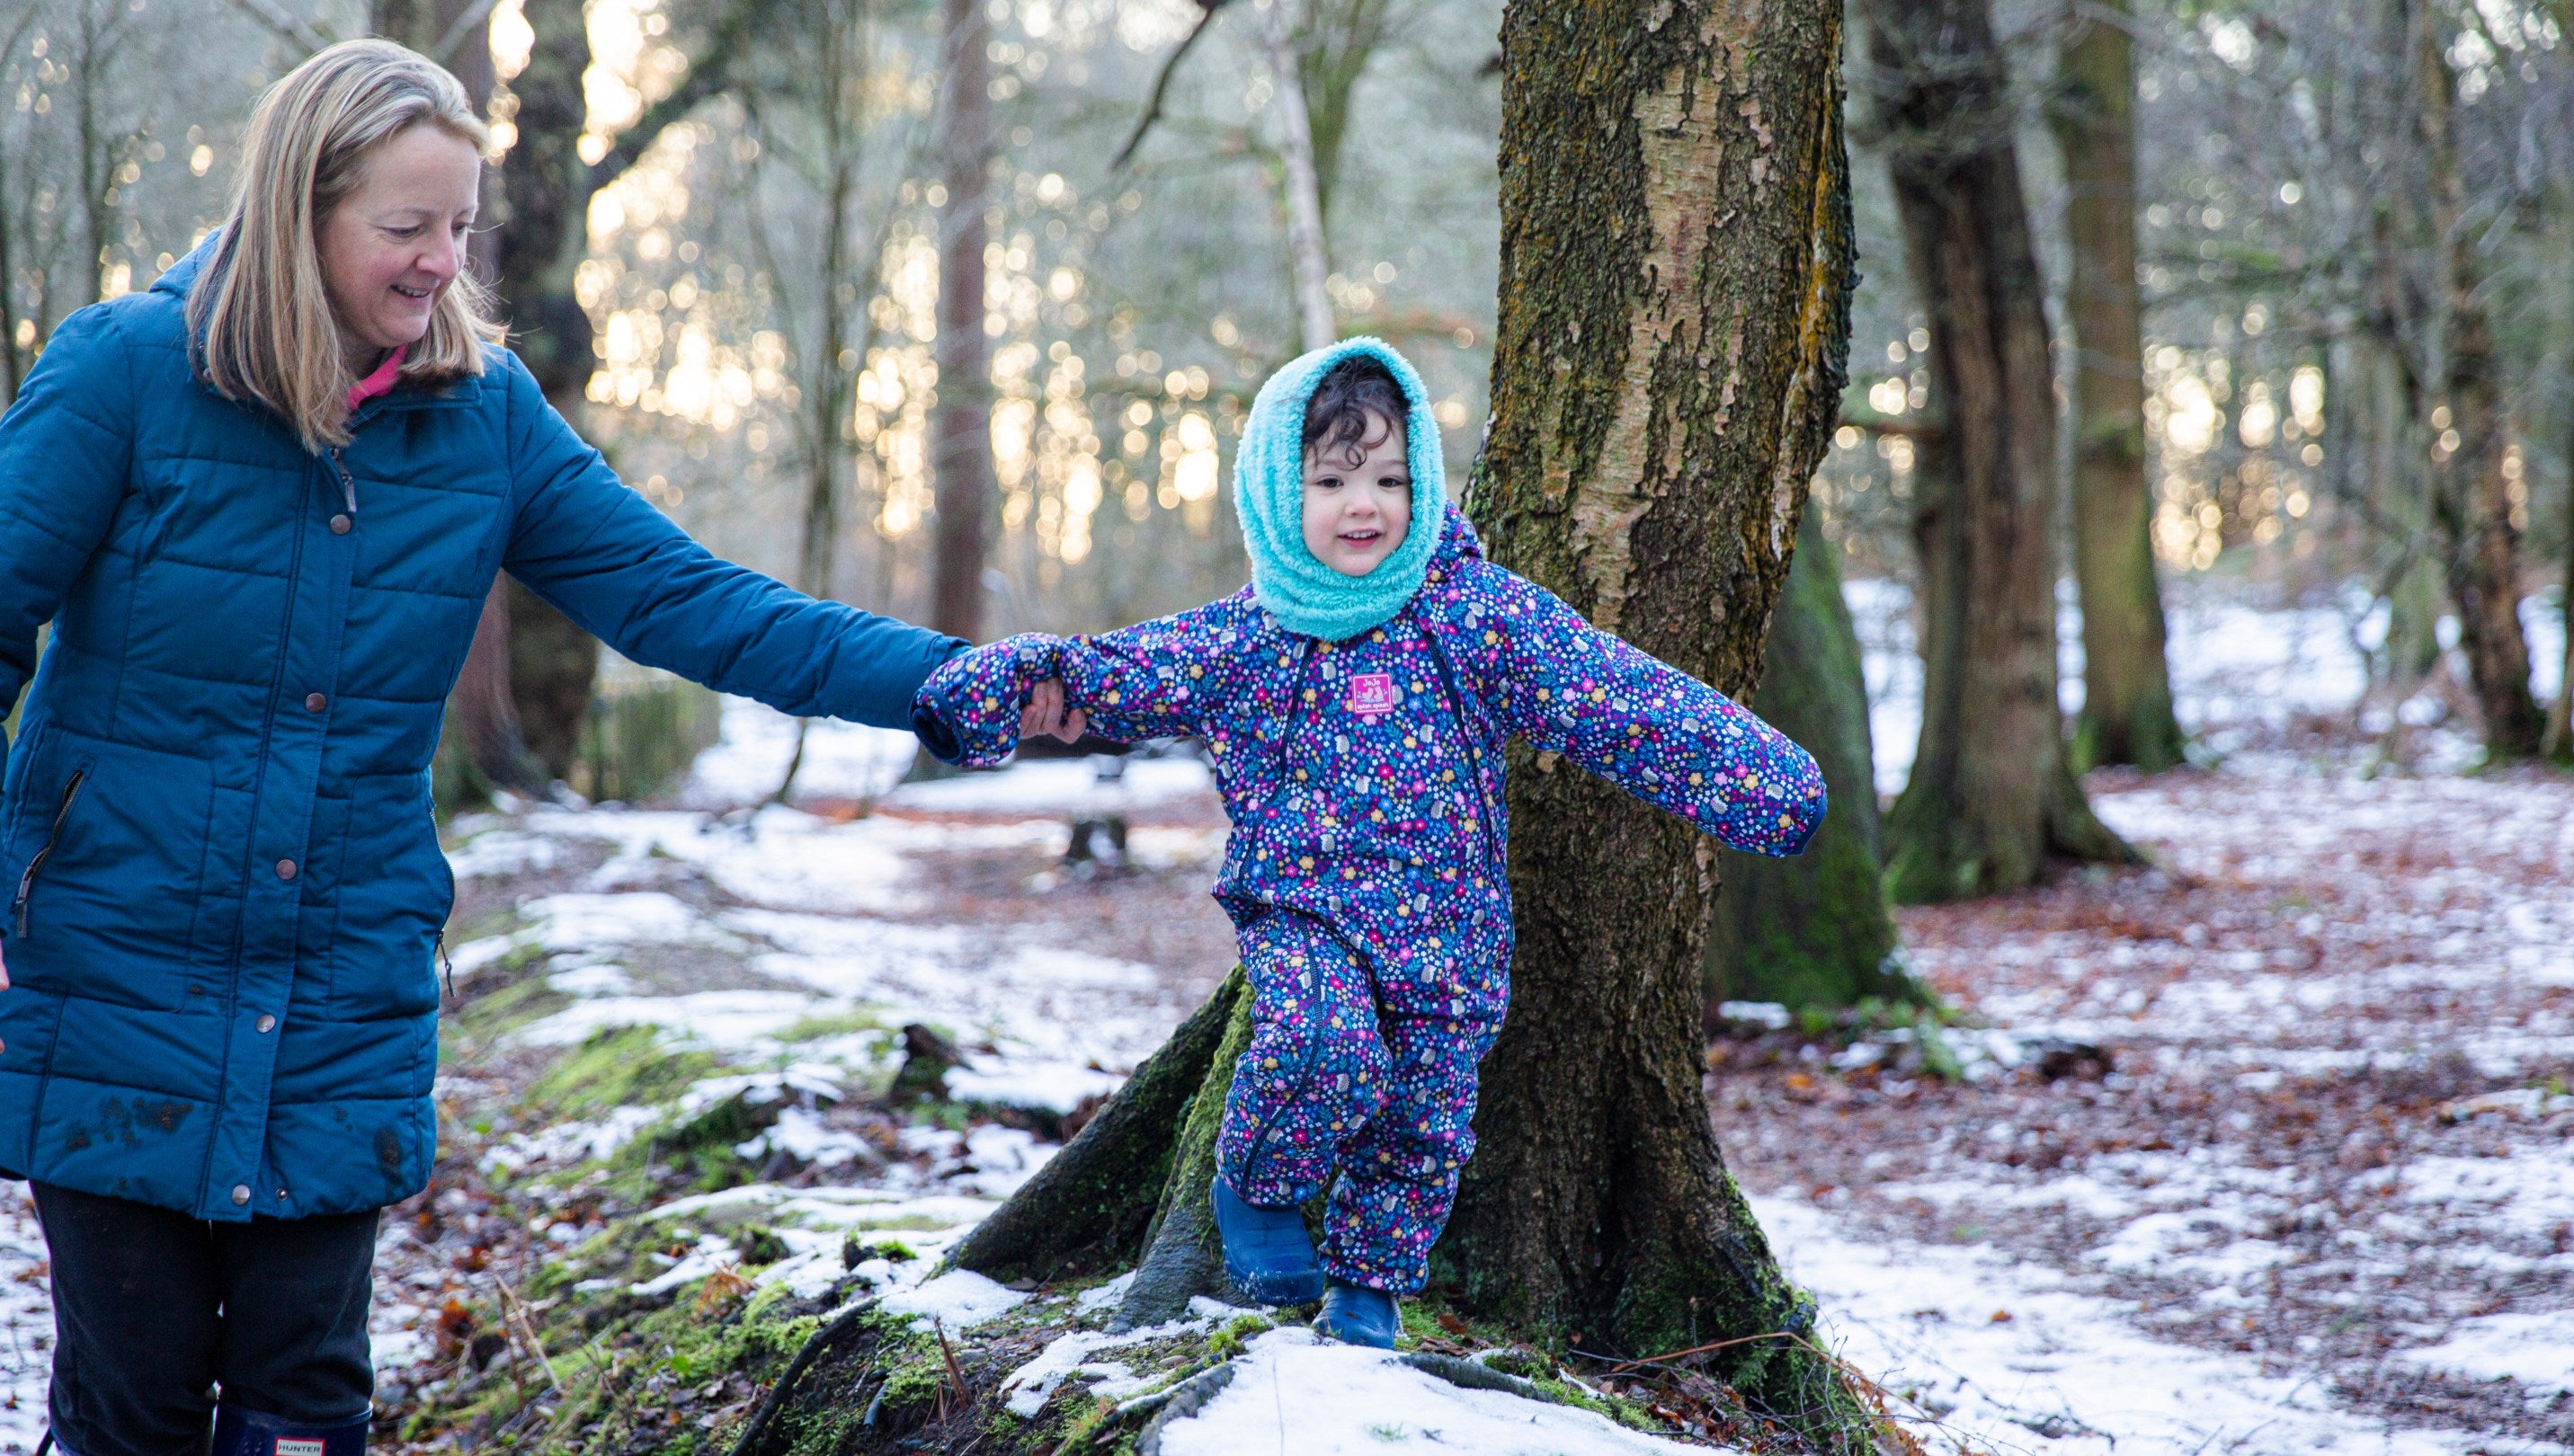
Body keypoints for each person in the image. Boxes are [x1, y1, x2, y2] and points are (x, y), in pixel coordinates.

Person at [0, 40, 1073, 1456]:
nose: (444, 261)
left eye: (462, 227)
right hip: (118, 960)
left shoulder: (483, 414)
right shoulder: (127, 374)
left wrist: (957, 682)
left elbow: (693, 604)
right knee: (127, 1406)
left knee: (306, 1403)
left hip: (342, 978)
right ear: (299, 211)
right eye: (406, 226)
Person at [913, 337, 1827, 1349]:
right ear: (1275, 491)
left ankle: (1369, 1290)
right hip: (1310, 914)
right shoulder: (1250, 637)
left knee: (1426, 1129)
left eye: (1391, 478)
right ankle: (1256, 1190)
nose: (1366, 504)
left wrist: (1761, 781)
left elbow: (1613, 696)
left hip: (1453, 933)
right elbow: (1116, 672)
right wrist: (989, 692)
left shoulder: (1472, 612)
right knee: (1321, 1046)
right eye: (1334, 479)